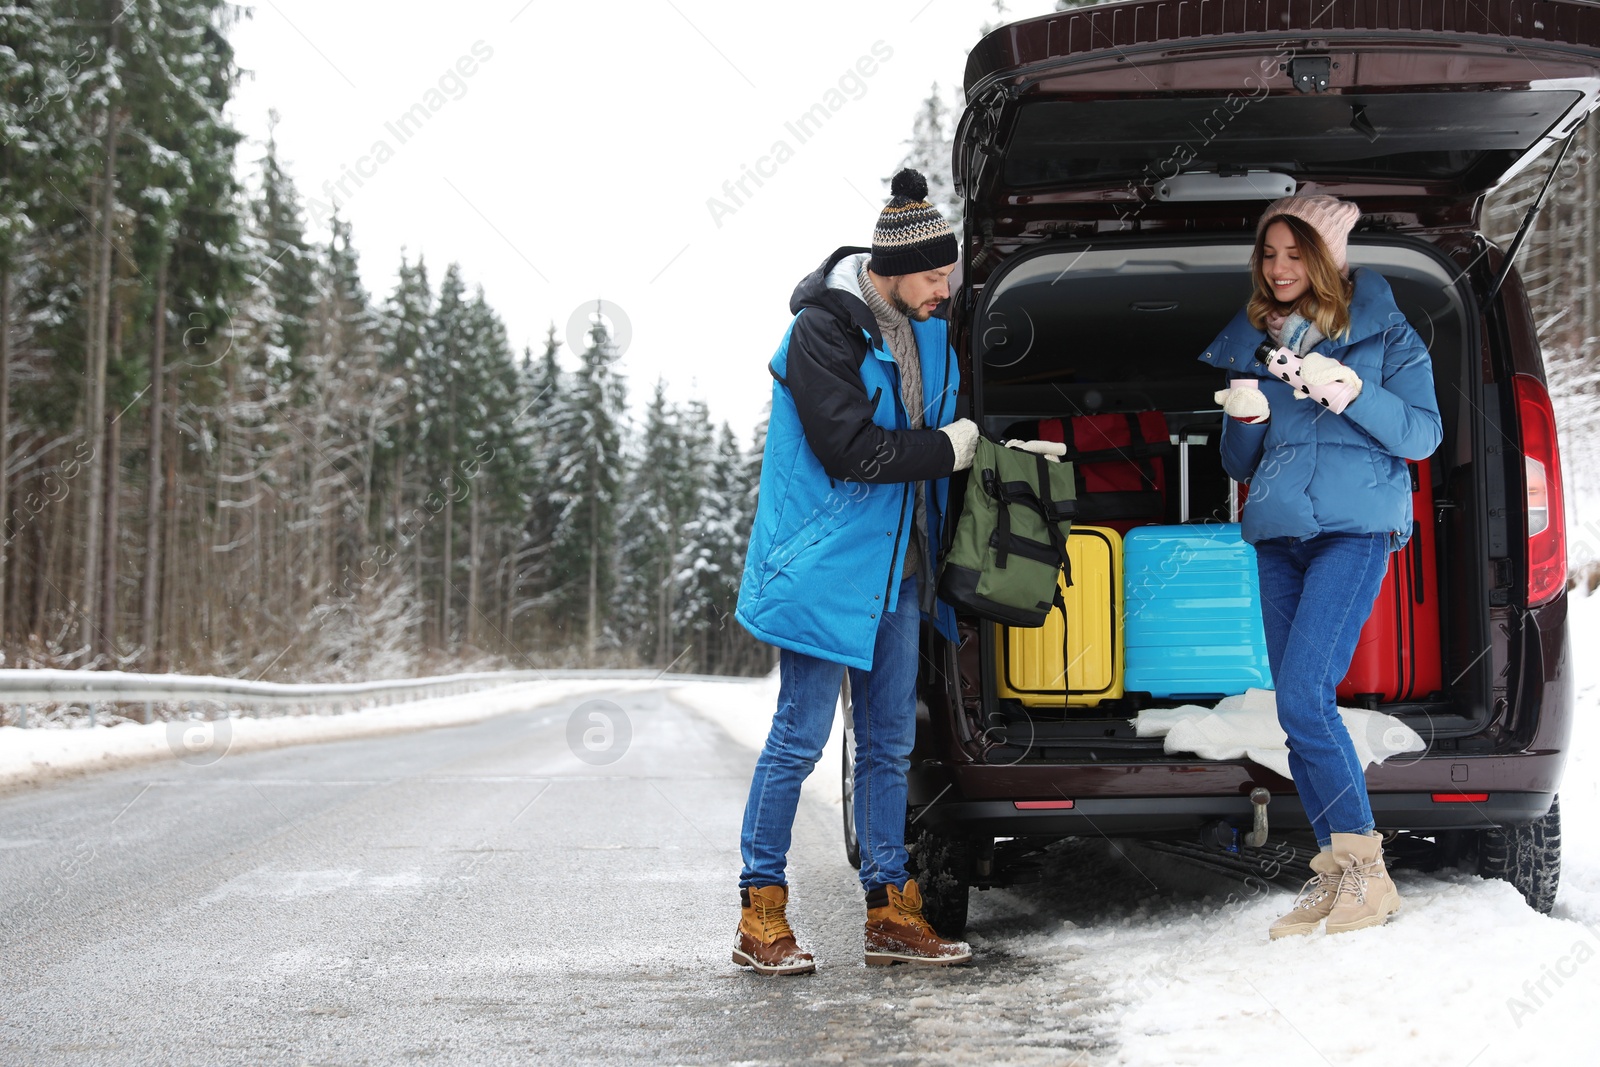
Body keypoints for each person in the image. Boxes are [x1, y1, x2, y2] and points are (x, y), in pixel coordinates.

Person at [732, 169, 1024, 974]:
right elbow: (852, 450)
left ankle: (890, 908)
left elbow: (960, 424)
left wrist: (1005, 459)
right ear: (891, 268)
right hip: (826, 569)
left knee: (890, 743)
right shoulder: (819, 335)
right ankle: (761, 913)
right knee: (799, 736)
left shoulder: (933, 326)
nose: (946, 289)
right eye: (935, 276)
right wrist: (949, 447)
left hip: (903, 568)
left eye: (950, 274)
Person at [1200, 194, 1442, 938]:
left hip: (1354, 530)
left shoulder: (1387, 335)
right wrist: (1246, 422)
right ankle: (1338, 871)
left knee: (1305, 694)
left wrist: (1355, 391)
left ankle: (1367, 872)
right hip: (1279, 534)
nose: (1278, 268)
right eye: (1268, 254)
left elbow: (1423, 434)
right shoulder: (1257, 345)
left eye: (1295, 252)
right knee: (1294, 707)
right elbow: (1239, 461)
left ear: (1328, 257)